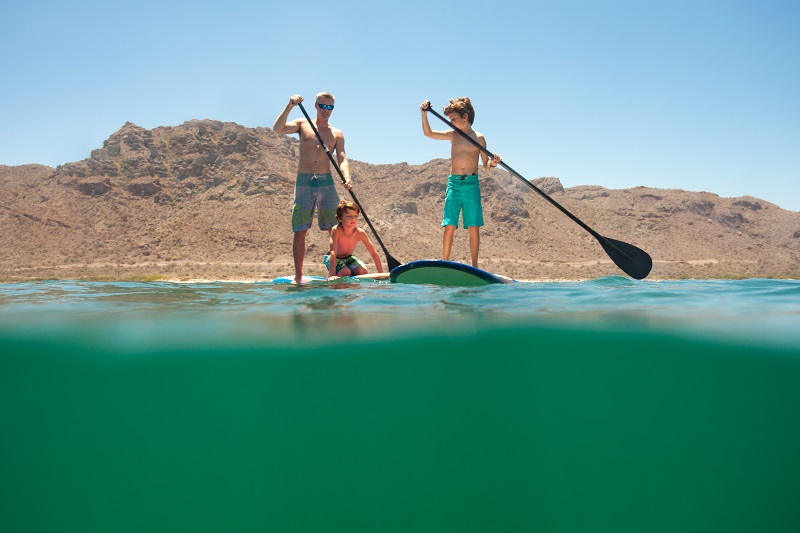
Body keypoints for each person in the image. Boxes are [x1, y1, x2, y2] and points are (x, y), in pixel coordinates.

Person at [272, 92, 353, 283]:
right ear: (316, 106)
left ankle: (335, 270)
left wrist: (347, 176)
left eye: (330, 108)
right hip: (305, 181)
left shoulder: (337, 133)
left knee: (335, 228)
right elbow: (278, 128)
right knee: (300, 229)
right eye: (323, 106)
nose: (326, 111)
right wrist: (290, 105)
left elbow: (342, 157)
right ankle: (298, 277)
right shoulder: (303, 124)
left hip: (326, 181)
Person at [420, 97, 500, 267]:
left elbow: (486, 165)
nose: (451, 122)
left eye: (453, 118)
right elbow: (429, 133)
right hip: (454, 184)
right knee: (449, 223)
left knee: (473, 225)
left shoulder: (479, 138)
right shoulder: (452, 135)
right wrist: (424, 114)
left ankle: (474, 266)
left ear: (465, 116)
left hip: (471, 184)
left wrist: (493, 163)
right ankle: (445, 262)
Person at [324, 199, 384, 279]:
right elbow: (333, 252)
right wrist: (332, 274)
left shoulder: (360, 233)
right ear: (340, 219)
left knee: (362, 272)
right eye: (349, 216)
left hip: (348, 258)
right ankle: (337, 277)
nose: (353, 218)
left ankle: (351, 282)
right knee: (345, 272)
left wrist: (381, 274)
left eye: (355, 216)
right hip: (333, 258)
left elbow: (373, 252)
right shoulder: (336, 230)